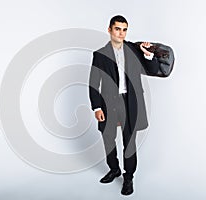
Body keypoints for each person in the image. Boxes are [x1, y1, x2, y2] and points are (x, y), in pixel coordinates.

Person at [88, 15, 161, 196]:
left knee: (129, 143)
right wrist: (96, 107)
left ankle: (128, 178)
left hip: (130, 103)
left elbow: (151, 70)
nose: (121, 33)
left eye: (124, 29)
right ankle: (114, 169)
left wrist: (147, 54)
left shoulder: (134, 50)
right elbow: (93, 83)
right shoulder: (99, 55)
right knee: (108, 140)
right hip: (108, 104)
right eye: (117, 29)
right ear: (110, 30)